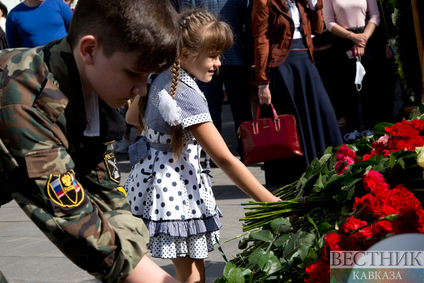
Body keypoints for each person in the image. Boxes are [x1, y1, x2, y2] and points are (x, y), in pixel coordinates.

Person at [0, 0, 183, 282]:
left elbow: (105, 189)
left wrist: (130, 244)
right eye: (134, 72)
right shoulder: (23, 101)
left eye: (149, 76)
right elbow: (77, 224)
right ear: (89, 50)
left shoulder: (95, 85)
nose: (141, 89)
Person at [124, 10, 281, 283]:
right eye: (212, 55)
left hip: (159, 180)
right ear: (185, 55)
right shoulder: (186, 94)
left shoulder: (161, 76)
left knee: (191, 271)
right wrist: (272, 202)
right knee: (192, 276)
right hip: (176, 189)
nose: (218, 63)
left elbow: (130, 119)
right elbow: (225, 160)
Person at [251, 0, 343, 188]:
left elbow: (318, 29)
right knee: (292, 123)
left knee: (323, 113)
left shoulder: (302, 1)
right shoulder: (264, 2)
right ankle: (297, 176)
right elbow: (261, 39)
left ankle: (329, 168)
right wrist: (262, 82)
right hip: (283, 66)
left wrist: (316, 5)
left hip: (306, 63)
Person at [181, 0, 254, 162]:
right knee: (240, 108)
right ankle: (247, 150)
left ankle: (211, 153)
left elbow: (186, 20)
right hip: (235, 54)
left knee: (209, 107)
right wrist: (249, 55)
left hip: (205, 57)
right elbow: (247, 23)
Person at [322, 0, 393, 141]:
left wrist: (362, 39)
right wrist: (352, 37)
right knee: (347, 89)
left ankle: (371, 128)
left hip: (365, 37)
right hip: (343, 41)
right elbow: (329, 22)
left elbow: (375, 16)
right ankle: (352, 130)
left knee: (369, 86)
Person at [6, 0, 73, 48]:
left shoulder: (60, 5)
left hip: (63, 61)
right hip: (34, 65)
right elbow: (14, 49)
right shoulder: (13, 15)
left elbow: (75, 32)